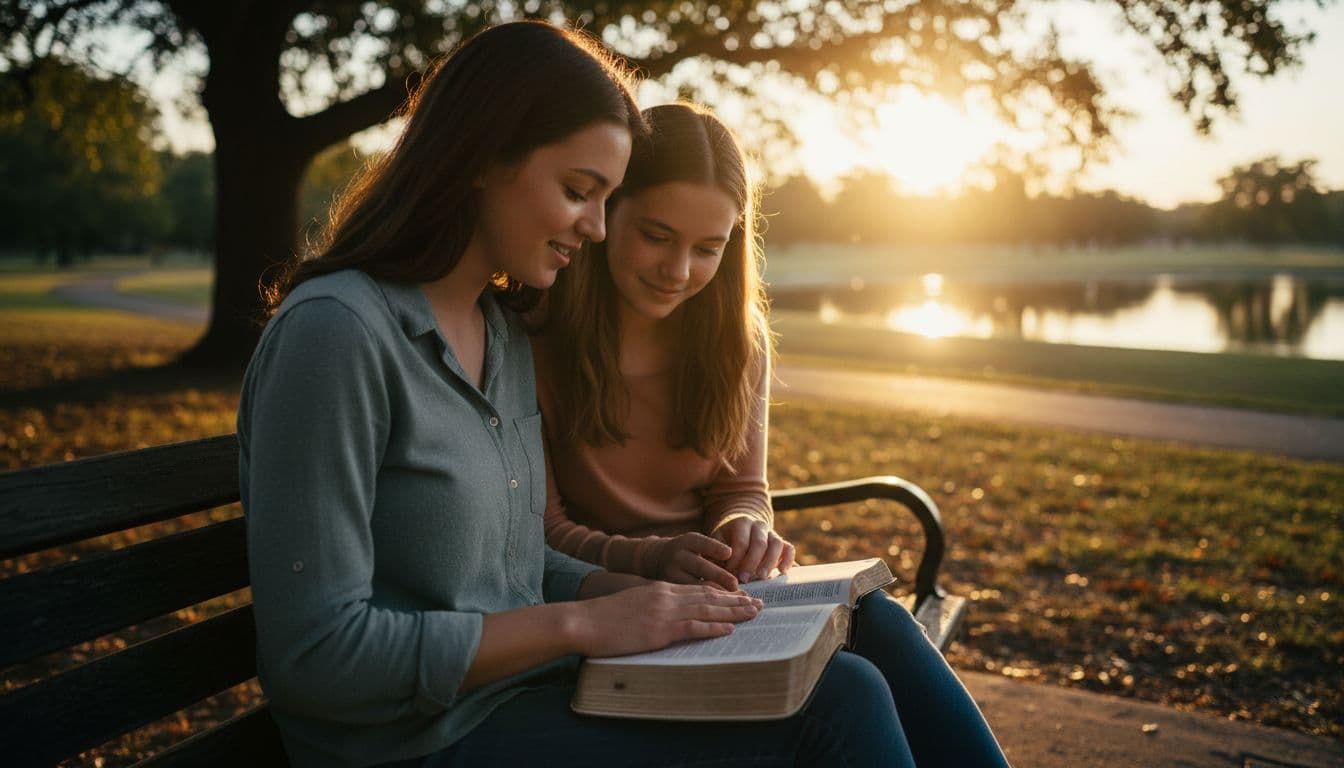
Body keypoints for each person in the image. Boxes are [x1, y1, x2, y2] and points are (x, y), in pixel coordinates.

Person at [241, 22, 934, 768]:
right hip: (416, 740)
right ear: (481, 156)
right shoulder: (337, 334)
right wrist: (581, 625)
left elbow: (515, 569)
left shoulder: (494, 330)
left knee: (861, 648)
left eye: (606, 199)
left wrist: (653, 579)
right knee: (839, 705)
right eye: (578, 191)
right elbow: (315, 659)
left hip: (530, 692)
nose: (598, 230)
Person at [535, 102, 1012, 766]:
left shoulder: (736, 342)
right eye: (656, 235)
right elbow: (542, 532)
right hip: (616, 609)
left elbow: (742, 487)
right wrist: (652, 561)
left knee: (882, 619)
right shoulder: (535, 340)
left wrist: (743, 526)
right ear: (609, 210)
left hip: (726, 597)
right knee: (849, 690)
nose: (678, 270)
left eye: (708, 248)